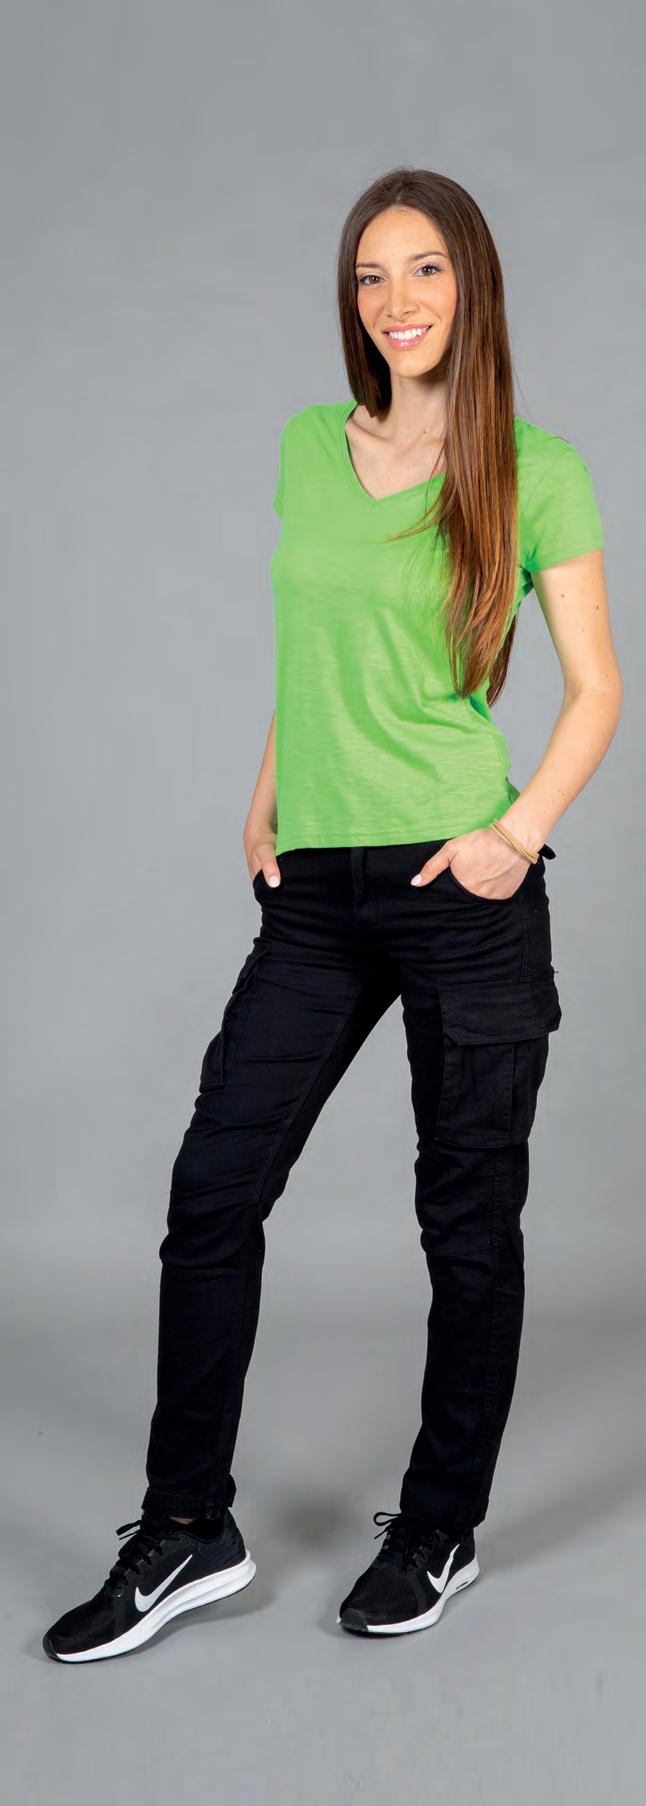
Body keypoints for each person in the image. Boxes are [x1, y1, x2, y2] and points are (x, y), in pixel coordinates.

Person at [43, 166, 622, 1662]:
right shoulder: (309, 446)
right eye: (370, 275)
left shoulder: (536, 468)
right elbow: (313, 652)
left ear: (471, 285)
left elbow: (596, 689)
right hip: (315, 893)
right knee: (213, 1189)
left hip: (461, 889)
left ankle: (441, 1524)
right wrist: (265, 797)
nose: (396, 300)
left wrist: (513, 836)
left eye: (423, 269)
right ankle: (188, 1525)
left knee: (464, 1223)